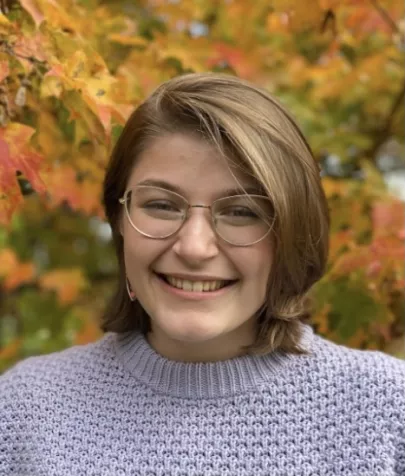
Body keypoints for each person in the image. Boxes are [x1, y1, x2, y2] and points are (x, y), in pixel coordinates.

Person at [0, 72, 404, 476]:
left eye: (242, 211)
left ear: (291, 232)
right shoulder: (26, 413)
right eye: (161, 205)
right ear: (119, 219)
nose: (194, 248)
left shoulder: (386, 413)